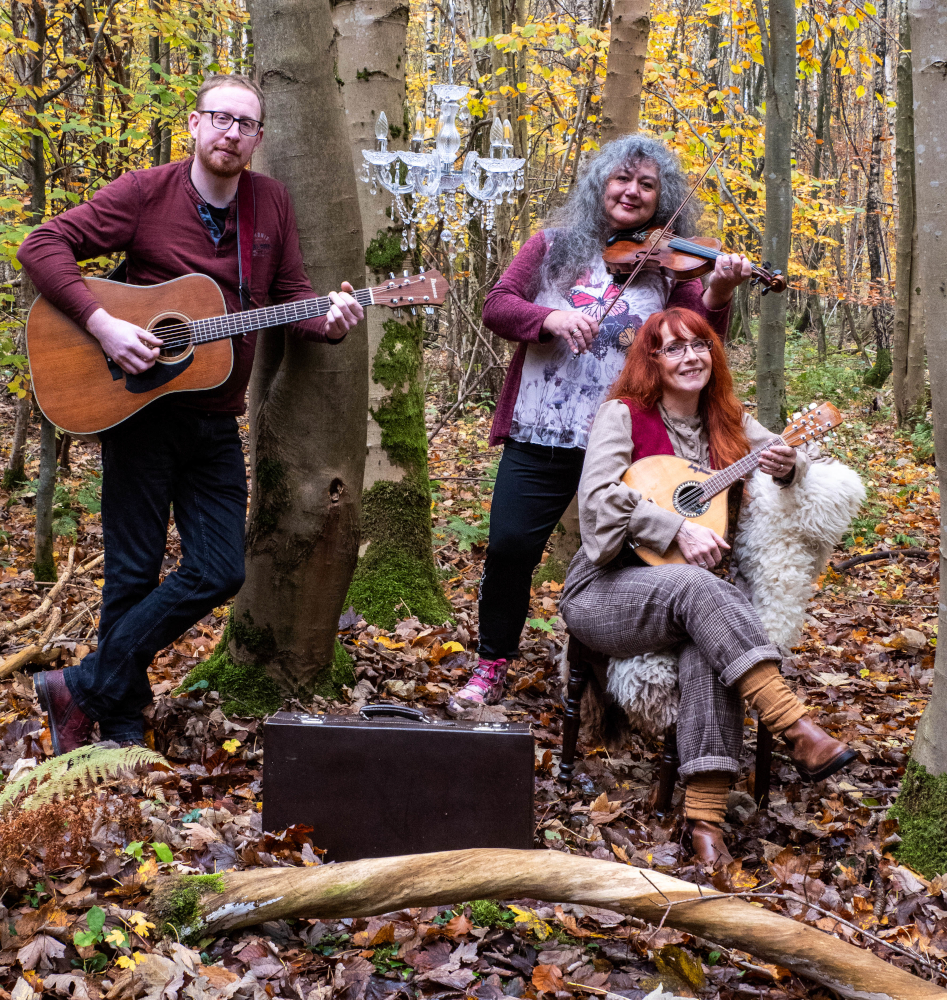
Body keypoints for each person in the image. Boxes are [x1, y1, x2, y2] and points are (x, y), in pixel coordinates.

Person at [17, 73, 364, 755]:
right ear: (195, 124)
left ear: (258, 138)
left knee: (220, 569)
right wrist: (105, 326)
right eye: (221, 118)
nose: (232, 133)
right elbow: (40, 246)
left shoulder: (270, 203)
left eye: (246, 124)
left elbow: (291, 296)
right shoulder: (146, 192)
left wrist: (331, 322)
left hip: (214, 422)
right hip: (136, 413)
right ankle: (119, 723)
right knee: (131, 572)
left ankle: (81, 687)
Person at [448, 134, 753, 715]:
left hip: (630, 444)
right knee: (510, 547)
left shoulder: (672, 269)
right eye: (622, 178)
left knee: (630, 556)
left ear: (663, 198)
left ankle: (611, 679)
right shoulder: (551, 245)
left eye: (647, 184)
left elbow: (701, 340)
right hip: (543, 430)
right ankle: (491, 664)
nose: (632, 192)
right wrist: (552, 318)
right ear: (600, 184)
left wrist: (718, 289)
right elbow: (497, 305)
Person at [558, 306, 857, 867]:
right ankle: (796, 727)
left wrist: (788, 467)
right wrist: (674, 528)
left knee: (707, 644)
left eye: (699, 345)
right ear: (651, 360)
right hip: (606, 588)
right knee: (700, 588)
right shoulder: (623, 416)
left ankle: (704, 825)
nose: (691, 357)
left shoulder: (730, 421)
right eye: (674, 348)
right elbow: (597, 499)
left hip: (688, 599)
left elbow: (790, 456)